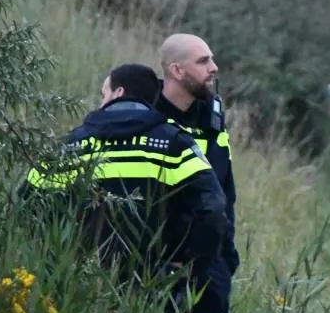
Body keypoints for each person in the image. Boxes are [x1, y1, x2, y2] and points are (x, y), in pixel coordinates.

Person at [20, 62, 229, 295]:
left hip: (74, 288)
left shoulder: (71, 145)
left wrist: (51, 259)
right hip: (150, 288)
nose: (102, 102)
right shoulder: (175, 143)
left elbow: (27, 204)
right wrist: (192, 264)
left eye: (104, 94)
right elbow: (213, 208)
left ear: (119, 93)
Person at [153, 33, 239, 313]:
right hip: (161, 260)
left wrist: (226, 256)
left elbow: (226, 190)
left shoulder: (213, 116)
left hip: (211, 260)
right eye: (203, 62)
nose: (214, 68)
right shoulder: (149, 117)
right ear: (176, 70)